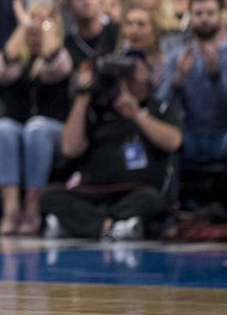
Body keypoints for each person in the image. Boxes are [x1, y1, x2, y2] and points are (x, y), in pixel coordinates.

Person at [43, 51, 182, 240]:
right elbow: (69, 148)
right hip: (94, 193)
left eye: (135, 68)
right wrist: (83, 97)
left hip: (136, 192)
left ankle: (86, 225)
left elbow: (173, 142)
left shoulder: (160, 107)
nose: (129, 75)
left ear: (148, 73)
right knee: (49, 197)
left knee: (152, 200)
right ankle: (111, 225)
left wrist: (136, 114)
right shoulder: (97, 109)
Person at [158, 0, 227, 223]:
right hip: (190, 134)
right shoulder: (177, 56)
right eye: (198, 13)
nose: (204, 18)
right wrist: (177, 80)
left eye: (210, 13)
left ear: (221, 15)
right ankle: (169, 208)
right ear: (191, 15)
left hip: (224, 135)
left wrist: (217, 77)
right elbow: (160, 104)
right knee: (167, 140)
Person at [0, 1, 72, 236]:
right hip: (20, 127)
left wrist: (47, 30)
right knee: (1, 128)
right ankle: (11, 208)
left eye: (44, 21)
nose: (36, 26)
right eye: (32, 19)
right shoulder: (18, 57)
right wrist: (23, 28)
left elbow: (55, 64)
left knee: (36, 128)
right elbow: (1, 69)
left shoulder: (63, 53)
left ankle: (32, 206)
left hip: (54, 130)